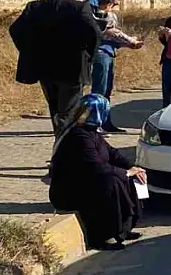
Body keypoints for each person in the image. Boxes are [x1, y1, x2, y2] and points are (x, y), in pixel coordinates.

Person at [10, 0, 101, 180]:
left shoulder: (35, 7)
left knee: (57, 114)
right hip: (71, 72)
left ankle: (61, 158)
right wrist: (88, 57)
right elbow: (95, 35)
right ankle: (60, 164)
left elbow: (15, 29)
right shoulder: (80, 8)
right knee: (68, 117)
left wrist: (29, 51)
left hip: (45, 72)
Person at [49, 94, 145, 251]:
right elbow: (96, 167)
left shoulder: (90, 132)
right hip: (68, 191)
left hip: (86, 181)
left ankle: (122, 230)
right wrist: (125, 173)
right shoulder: (79, 136)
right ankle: (98, 237)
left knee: (124, 178)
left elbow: (113, 154)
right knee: (111, 182)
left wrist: (133, 168)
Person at [89, 0, 143, 133]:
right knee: (99, 91)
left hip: (108, 52)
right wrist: (130, 40)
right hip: (100, 53)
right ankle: (94, 124)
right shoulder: (94, 9)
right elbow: (110, 32)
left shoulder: (105, 11)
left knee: (106, 90)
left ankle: (105, 122)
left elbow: (112, 37)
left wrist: (128, 44)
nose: (118, 3)